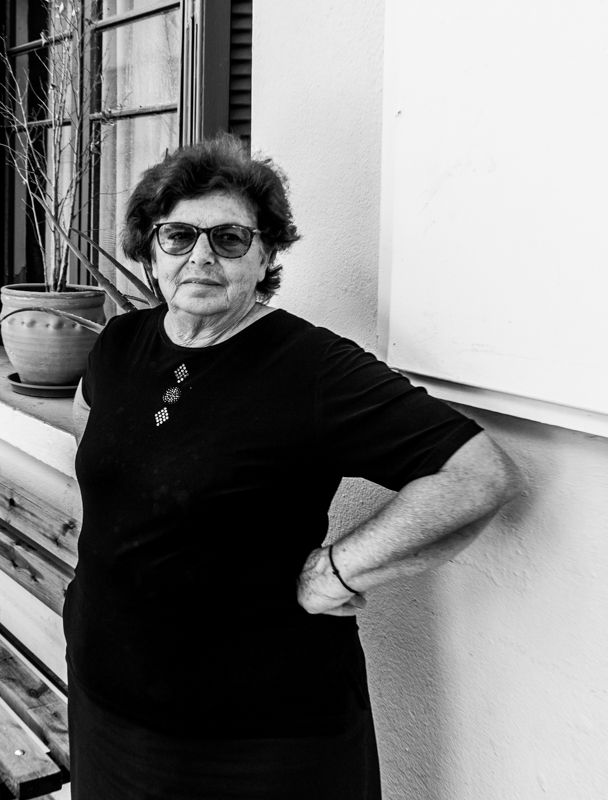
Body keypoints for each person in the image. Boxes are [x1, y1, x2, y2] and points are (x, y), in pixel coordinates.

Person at [67, 134, 522, 799]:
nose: (201, 257)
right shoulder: (118, 343)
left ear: (265, 256)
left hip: (258, 739)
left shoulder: (311, 369)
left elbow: (478, 475)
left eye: (229, 239)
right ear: (151, 249)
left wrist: (341, 569)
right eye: (179, 236)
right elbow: (92, 443)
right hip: (106, 706)